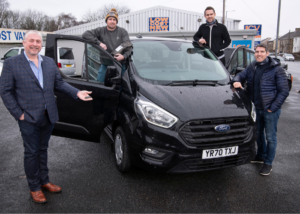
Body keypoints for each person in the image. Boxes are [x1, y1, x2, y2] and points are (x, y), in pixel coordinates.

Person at [0, 30, 93, 203]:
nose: (35, 44)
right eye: (31, 41)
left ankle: (44, 181)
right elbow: (5, 92)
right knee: (31, 152)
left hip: (48, 115)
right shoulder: (12, 63)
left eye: (38, 41)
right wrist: (18, 114)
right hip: (27, 117)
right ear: (24, 43)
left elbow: (59, 83)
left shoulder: (48, 62)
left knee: (42, 150)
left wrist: (77, 93)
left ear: (41, 44)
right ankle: (34, 187)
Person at [232, 43, 289, 176]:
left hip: (270, 110)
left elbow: (284, 91)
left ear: (267, 53)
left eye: (262, 52)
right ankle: (260, 156)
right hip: (256, 109)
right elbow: (240, 75)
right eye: (257, 52)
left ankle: (268, 163)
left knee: (270, 137)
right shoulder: (253, 66)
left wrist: (273, 108)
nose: (259, 54)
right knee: (258, 135)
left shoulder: (276, 69)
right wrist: (236, 80)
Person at [82, 8, 132, 83]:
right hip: (105, 65)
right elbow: (85, 34)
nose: (112, 21)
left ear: (116, 21)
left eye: (114, 20)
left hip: (120, 65)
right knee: (100, 86)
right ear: (106, 21)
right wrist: (99, 43)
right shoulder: (101, 30)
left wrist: (123, 56)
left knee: (121, 89)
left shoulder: (122, 32)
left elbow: (129, 47)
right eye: (110, 19)